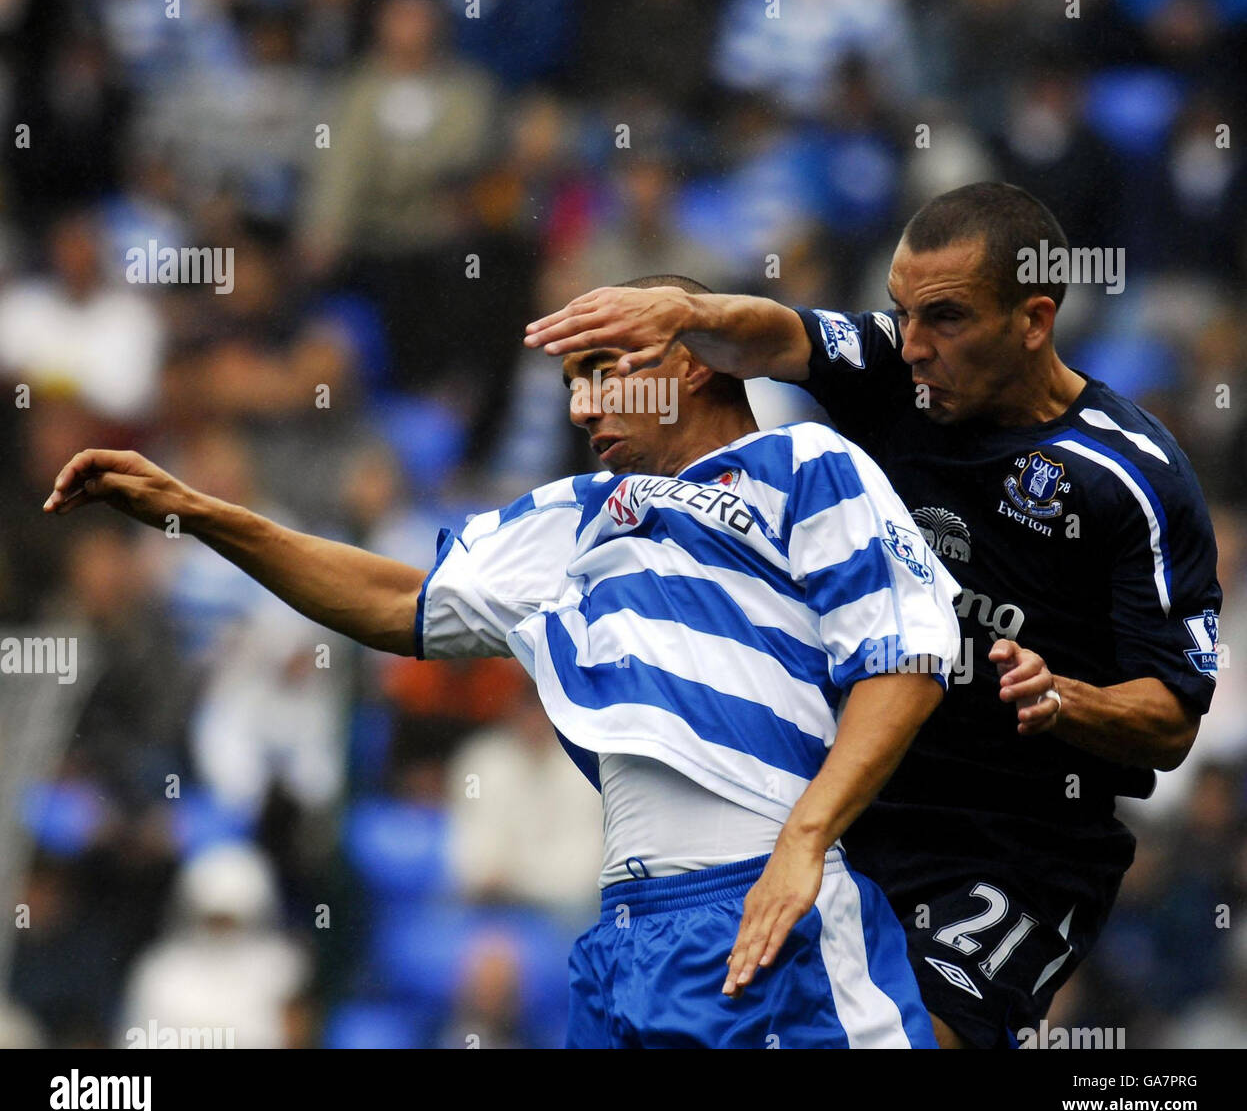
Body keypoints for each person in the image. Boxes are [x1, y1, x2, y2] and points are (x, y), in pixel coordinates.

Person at [44, 277, 962, 1049]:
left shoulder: (806, 465)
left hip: (771, 903)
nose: (580, 405)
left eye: (602, 371)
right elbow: (394, 603)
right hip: (624, 941)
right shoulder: (571, 517)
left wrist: (803, 844)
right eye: (569, 382)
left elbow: (908, 660)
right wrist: (204, 515)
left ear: (688, 357)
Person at [524, 184, 1223, 1049]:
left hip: (1014, 847)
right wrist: (687, 310)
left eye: (944, 318)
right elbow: (778, 334)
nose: (914, 344)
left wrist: (1064, 700)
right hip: (857, 804)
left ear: (1033, 318)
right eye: (900, 311)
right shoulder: (896, 374)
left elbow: (1171, 719)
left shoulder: (1129, 477)